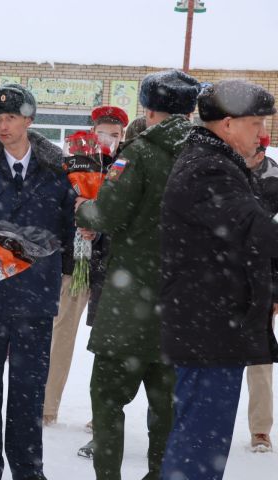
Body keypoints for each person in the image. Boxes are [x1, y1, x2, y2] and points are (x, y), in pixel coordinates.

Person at [75, 69, 201, 480]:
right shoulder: (206, 153)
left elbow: (108, 213)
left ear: (149, 109)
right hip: (182, 304)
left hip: (131, 304)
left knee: (108, 399)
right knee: (167, 405)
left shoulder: (140, 152)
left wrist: (82, 208)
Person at [0, 84, 75, 480]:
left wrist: (85, 233)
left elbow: (68, 224)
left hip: (37, 295)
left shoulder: (58, 168)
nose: (2, 126)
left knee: (28, 390)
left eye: (10, 118)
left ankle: (28, 468)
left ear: (29, 119)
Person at [160, 79, 278, 480]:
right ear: (228, 124)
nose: (263, 134)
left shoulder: (215, 161)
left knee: (202, 444)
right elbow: (253, 231)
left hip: (214, 324)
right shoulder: (208, 167)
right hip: (208, 327)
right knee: (198, 449)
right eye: (257, 123)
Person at [43, 105, 128, 427]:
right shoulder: (71, 163)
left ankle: (102, 413)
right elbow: (54, 205)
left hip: (113, 266)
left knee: (109, 344)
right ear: (93, 132)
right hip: (73, 262)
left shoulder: (129, 166)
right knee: (60, 336)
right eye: (103, 133)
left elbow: (131, 213)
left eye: (115, 134)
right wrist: (78, 218)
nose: (109, 139)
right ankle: (47, 407)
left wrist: (101, 221)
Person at [76, 114, 148, 460]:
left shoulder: (135, 170)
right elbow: (111, 217)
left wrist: (94, 218)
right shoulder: (120, 169)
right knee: (115, 362)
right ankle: (104, 428)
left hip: (134, 280)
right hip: (120, 278)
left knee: (120, 364)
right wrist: (93, 226)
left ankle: (113, 432)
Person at [247, 140, 278, 453]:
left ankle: (260, 429)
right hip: (220, 281)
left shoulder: (274, 183)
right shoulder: (224, 175)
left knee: (260, 358)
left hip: (261, 281)